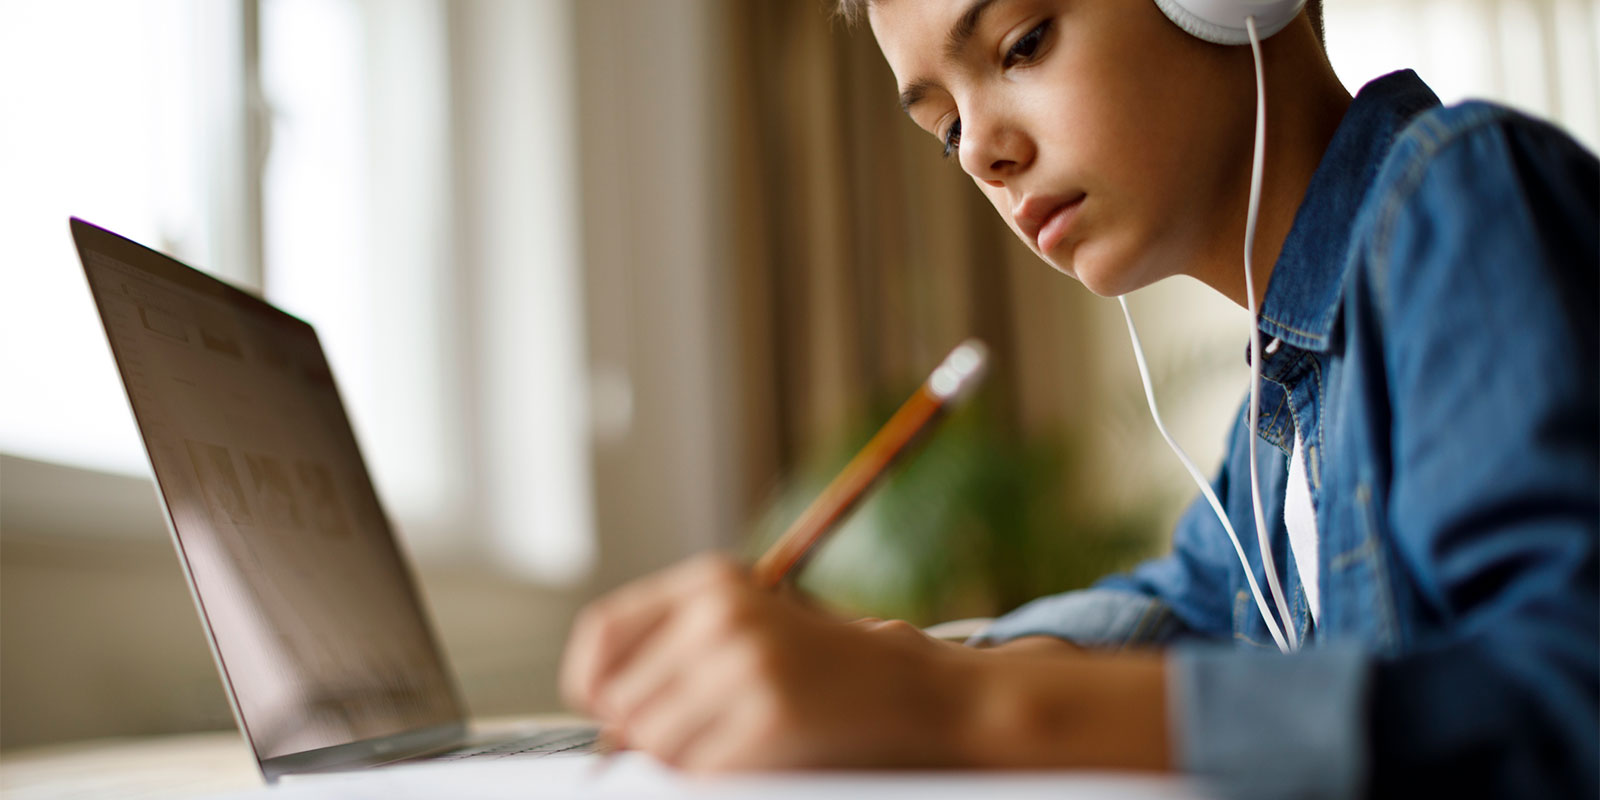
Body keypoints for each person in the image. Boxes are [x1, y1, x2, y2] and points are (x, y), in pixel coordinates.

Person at [558, 1, 1599, 796]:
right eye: (941, 125)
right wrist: (905, 661)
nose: (978, 150)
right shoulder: (1287, 404)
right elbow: (1173, 608)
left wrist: (959, 704)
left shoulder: (1460, 202)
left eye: (1020, 44)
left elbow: (1566, 699)